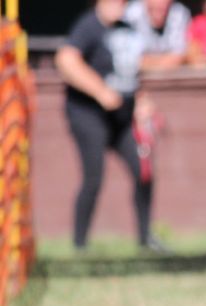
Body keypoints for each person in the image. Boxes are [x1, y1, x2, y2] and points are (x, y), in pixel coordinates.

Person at [55, 0, 164, 251]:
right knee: (94, 177)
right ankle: (80, 243)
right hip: (88, 115)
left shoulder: (127, 28)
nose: (120, 5)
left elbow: (135, 71)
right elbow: (66, 60)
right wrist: (100, 91)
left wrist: (142, 101)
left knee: (143, 172)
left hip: (122, 118)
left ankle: (146, 237)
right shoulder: (89, 26)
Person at [125, 0, 191, 70]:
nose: (159, 2)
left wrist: (148, 61)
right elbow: (128, 60)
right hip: (135, 78)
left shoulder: (179, 13)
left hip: (168, 76)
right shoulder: (131, 14)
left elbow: (179, 56)